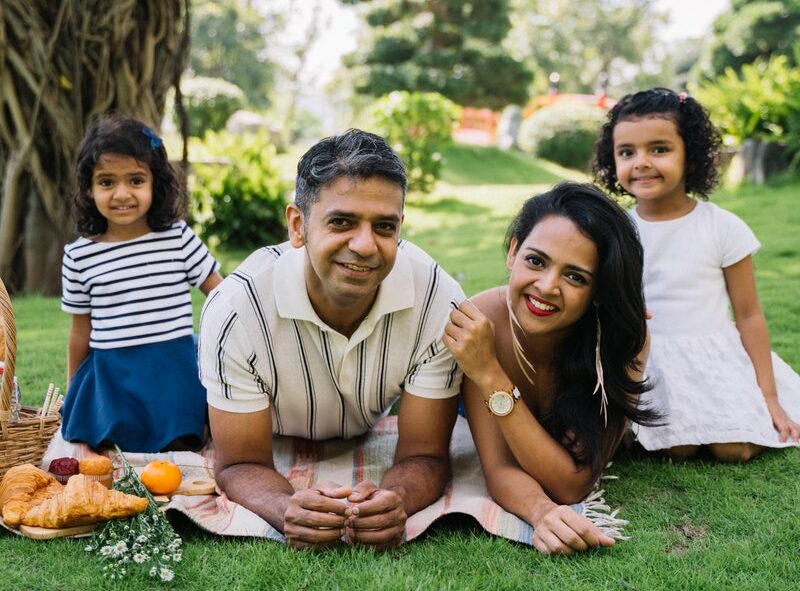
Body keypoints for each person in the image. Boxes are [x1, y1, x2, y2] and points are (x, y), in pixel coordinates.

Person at [199, 129, 465, 550]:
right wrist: (286, 507)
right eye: (342, 222)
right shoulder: (237, 308)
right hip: (272, 429)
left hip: (365, 425)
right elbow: (238, 462)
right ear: (298, 225)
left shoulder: (438, 300)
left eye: (384, 227)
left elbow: (425, 456)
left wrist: (396, 500)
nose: (364, 245)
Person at [444, 182, 657, 555]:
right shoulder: (482, 326)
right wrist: (542, 513)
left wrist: (492, 376)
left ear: (600, 291)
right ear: (513, 252)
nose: (546, 287)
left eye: (575, 277)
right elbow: (499, 467)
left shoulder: (621, 339)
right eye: (536, 261)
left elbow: (573, 483)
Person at [593, 87, 800, 462]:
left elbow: (749, 314)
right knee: (679, 447)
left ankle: (746, 415)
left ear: (691, 156)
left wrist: (768, 397)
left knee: (733, 450)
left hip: (712, 355)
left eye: (659, 149)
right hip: (650, 358)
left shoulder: (722, 227)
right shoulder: (617, 230)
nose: (641, 162)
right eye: (627, 152)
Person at [60, 115, 222, 453]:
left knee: (182, 442)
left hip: (172, 370)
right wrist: (73, 389)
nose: (122, 194)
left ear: (155, 184)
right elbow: (80, 332)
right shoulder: (79, 256)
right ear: (90, 189)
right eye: (107, 182)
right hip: (114, 377)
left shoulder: (177, 238)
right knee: (109, 445)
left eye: (136, 180)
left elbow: (223, 297)